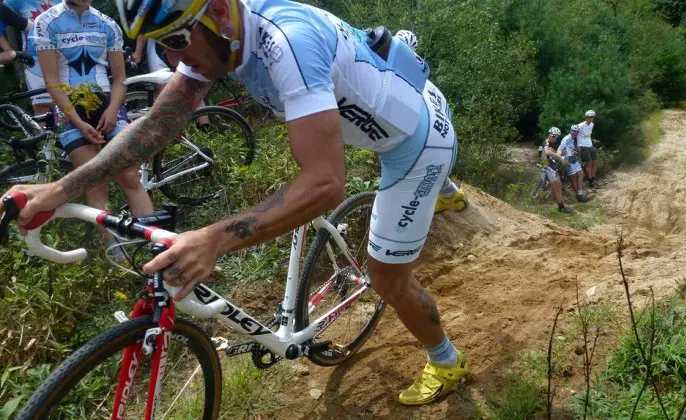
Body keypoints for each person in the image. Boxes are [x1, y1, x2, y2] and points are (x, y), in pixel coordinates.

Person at [4, 0, 469, 405]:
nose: (172, 57)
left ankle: (445, 360)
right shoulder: (214, 35)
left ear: (221, 13)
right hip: (373, 114)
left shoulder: (289, 44)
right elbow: (154, 127)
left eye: (177, 41)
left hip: (415, 141)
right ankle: (443, 191)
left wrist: (212, 240)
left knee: (386, 276)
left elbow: (327, 185)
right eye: (160, 45)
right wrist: (61, 189)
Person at [31, 0, 153, 250]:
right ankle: (116, 253)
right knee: (95, 182)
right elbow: (52, 81)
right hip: (70, 111)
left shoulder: (107, 24)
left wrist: (111, 110)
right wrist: (76, 120)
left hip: (107, 104)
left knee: (128, 175)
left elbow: (120, 79)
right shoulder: (46, 22)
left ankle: (152, 244)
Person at [394, 28, 467, 214]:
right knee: (431, 161)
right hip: (444, 134)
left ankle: (420, 204)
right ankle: (451, 194)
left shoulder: (397, 70)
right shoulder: (425, 76)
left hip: (421, 133)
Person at [3, 0, 58, 117]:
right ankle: (48, 135)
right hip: (35, 60)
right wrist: (8, 50)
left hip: (64, 57)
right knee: (43, 109)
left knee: (74, 103)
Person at [539, 127, 573, 213]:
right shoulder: (546, 143)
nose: (555, 138)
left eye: (556, 137)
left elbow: (553, 154)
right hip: (547, 167)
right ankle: (561, 207)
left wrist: (562, 156)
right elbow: (547, 152)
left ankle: (560, 205)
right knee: (556, 186)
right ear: (549, 135)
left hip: (550, 166)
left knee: (558, 185)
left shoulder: (550, 144)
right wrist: (560, 158)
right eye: (553, 136)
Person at [558, 124, 588, 203]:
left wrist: (576, 150)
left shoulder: (573, 138)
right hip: (567, 159)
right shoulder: (567, 138)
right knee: (573, 177)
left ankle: (580, 193)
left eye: (577, 132)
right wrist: (562, 158)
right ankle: (579, 196)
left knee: (581, 174)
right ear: (571, 131)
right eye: (574, 131)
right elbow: (559, 150)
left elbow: (571, 148)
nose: (576, 133)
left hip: (572, 157)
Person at [578, 110, 599, 188]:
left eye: (592, 117)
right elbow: (574, 135)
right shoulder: (580, 126)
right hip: (582, 146)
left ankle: (593, 179)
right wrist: (577, 146)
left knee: (595, 161)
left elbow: (588, 135)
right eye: (589, 117)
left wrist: (592, 140)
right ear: (586, 117)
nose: (590, 119)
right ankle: (590, 181)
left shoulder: (592, 125)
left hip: (589, 145)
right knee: (589, 162)